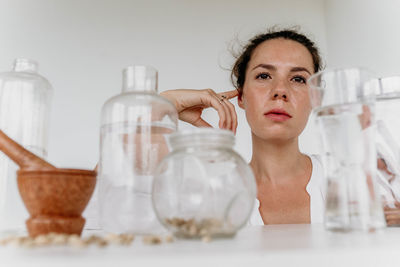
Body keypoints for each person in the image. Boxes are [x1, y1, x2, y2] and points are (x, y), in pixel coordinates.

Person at [160, 28, 396, 225]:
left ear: (315, 99)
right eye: (264, 76)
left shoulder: (355, 178)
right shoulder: (207, 188)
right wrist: (166, 103)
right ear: (241, 97)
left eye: (298, 79)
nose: (280, 91)